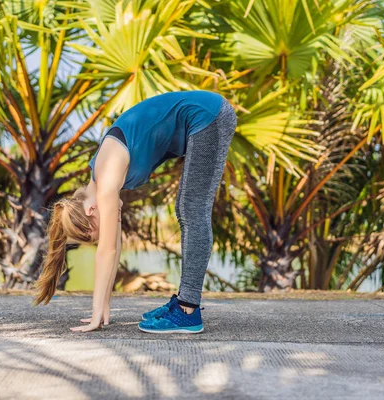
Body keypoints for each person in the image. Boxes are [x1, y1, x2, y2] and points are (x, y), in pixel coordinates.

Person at [33, 90, 237, 333]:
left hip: (207, 115)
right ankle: (184, 304)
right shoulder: (101, 181)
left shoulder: (105, 180)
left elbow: (106, 250)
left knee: (190, 208)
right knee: (187, 208)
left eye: (96, 233)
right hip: (204, 117)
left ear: (90, 210)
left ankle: (187, 311)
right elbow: (115, 246)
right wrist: (104, 304)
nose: (107, 228)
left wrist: (96, 312)